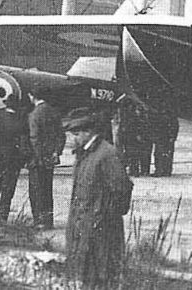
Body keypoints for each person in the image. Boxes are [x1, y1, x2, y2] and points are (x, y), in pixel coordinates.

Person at [64, 110, 133, 289]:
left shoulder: (106, 154)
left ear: (89, 132)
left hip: (102, 230)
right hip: (86, 228)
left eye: (76, 134)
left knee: (103, 277)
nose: (72, 139)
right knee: (87, 276)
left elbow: (123, 188)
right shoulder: (84, 154)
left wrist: (104, 217)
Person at [0, 94, 28, 220]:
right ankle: (3, 217)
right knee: (8, 190)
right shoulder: (21, 122)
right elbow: (24, 144)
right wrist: (21, 160)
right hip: (13, 160)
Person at [27, 90, 65, 229]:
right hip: (51, 158)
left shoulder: (34, 114)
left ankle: (39, 221)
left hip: (38, 160)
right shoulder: (54, 112)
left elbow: (34, 138)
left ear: (33, 96)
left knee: (36, 190)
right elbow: (61, 135)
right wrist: (56, 152)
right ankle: (49, 221)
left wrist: (38, 156)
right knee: (47, 190)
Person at [117, 101, 150, 177]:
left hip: (134, 134)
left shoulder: (132, 114)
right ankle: (137, 170)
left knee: (135, 153)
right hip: (132, 135)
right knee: (133, 153)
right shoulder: (130, 113)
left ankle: (136, 170)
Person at [147, 106, 179, 177]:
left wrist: (172, 137)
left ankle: (164, 170)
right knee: (160, 154)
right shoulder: (163, 115)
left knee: (164, 154)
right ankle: (162, 170)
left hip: (165, 138)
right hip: (161, 138)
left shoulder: (167, 116)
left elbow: (174, 127)